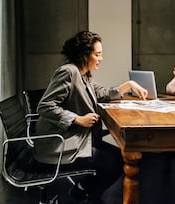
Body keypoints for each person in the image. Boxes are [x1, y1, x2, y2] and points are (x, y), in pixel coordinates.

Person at [34, 31, 148, 203]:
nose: (101, 58)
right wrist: (77, 119)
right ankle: (82, 195)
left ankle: (81, 193)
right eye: (97, 54)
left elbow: (101, 94)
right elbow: (45, 106)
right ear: (84, 55)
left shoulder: (84, 74)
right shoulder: (68, 72)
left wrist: (129, 84)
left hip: (77, 139)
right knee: (114, 163)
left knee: (119, 158)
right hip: (61, 144)